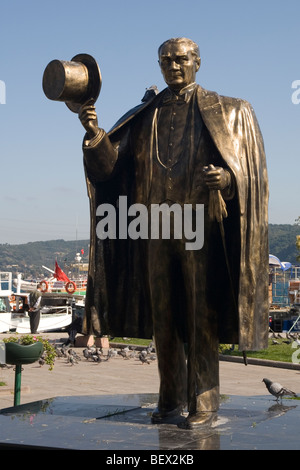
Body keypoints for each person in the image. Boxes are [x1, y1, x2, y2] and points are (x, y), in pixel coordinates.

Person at [79, 37, 269, 428]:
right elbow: (111, 170)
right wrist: (95, 134)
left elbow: (254, 174)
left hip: (199, 229)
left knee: (202, 315)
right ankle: (169, 400)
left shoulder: (229, 110)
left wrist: (228, 180)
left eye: (181, 59)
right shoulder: (145, 114)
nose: (173, 66)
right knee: (163, 318)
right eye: (165, 61)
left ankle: (203, 403)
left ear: (197, 62)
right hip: (154, 228)